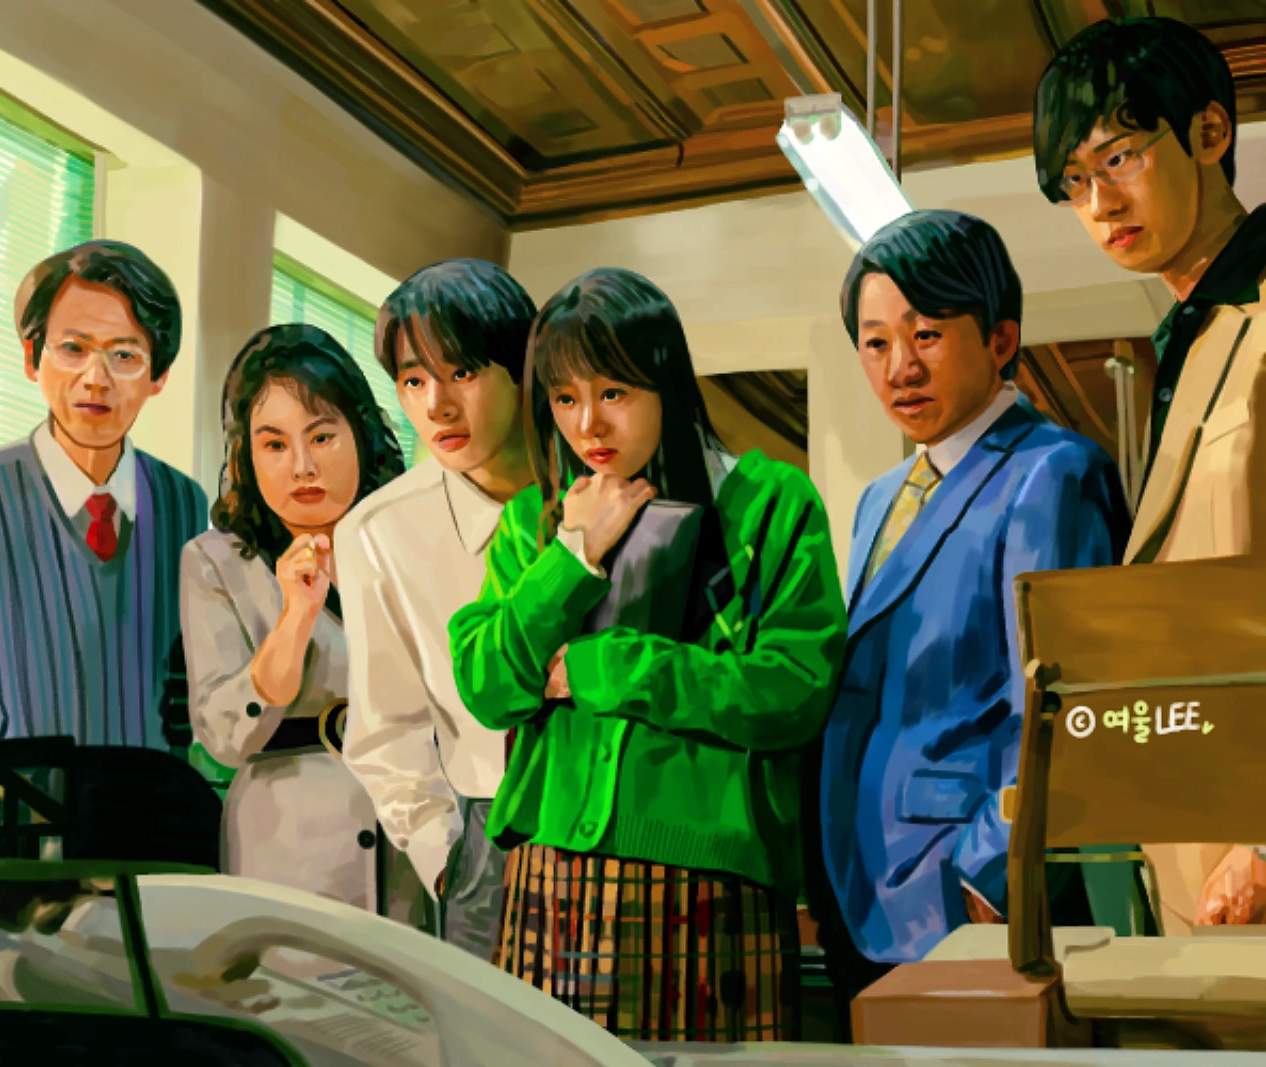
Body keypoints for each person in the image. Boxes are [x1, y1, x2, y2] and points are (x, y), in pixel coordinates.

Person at [448, 267, 846, 1043]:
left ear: (667, 382)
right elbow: (489, 684)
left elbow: (792, 690)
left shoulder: (771, 502)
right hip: (548, 870)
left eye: (614, 392)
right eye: (564, 398)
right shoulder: (536, 519)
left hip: (713, 878)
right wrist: (573, 554)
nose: (588, 424)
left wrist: (601, 667)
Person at [816, 211, 1136, 985]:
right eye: (876, 343)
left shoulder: (1053, 472)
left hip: (971, 899)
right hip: (864, 893)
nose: (900, 367)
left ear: (1000, 340)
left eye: (926, 334)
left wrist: (986, 878)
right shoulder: (881, 497)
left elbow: (1066, 705)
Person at [1034, 16, 1266, 934]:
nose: (1099, 203)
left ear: (1209, 132)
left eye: (1120, 157)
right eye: (1074, 181)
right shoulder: (1192, 339)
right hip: (1195, 866)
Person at [335, 259, 537, 958]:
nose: (437, 407)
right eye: (413, 381)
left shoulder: (600, 488)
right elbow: (384, 728)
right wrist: (448, 860)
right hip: (484, 837)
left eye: (463, 373)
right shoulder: (377, 530)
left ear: (522, 367)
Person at [181, 324, 405, 913]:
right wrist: (295, 616)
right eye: (275, 445)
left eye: (322, 436)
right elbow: (224, 737)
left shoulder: (408, 544)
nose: (303, 467)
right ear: (246, 456)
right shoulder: (215, 561)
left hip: (410, 845)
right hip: (285, 853)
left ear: (360, 434)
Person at [0, 240, 206, 749]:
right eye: (74, 348)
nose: (96, 378)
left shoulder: (183, 503)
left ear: (159, 375)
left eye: (124, 355)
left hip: (152, 792)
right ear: (32, 358)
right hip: (11, 796)